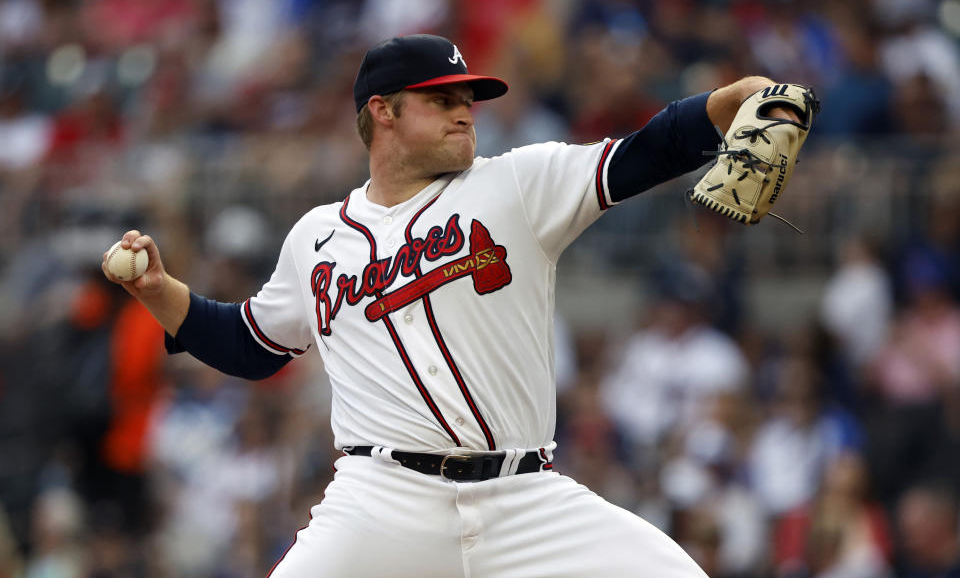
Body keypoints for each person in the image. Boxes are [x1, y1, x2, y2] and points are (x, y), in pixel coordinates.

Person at [102, 33, 802, 577]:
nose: (464, 110)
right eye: (442, 99)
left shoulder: (518, 185)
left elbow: (650, 150)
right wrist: (157, 291)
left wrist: (733, 98)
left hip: (524, 497)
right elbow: (248, 347)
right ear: (382, 111)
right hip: (380, 502)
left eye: (467, 97)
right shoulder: (316, 238)